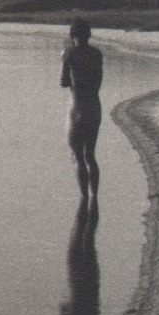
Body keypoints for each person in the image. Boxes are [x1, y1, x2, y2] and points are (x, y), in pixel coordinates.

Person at [60, 17, 103, 199]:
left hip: (77, 107)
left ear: (72, 35)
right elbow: (98, 81)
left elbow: (63, 82)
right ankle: (94, 197)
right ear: (89, 34)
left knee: (77, 154)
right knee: (90, 155)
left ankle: (84, 198)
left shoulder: (69, 54)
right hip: (94, 105)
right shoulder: (96, 54)